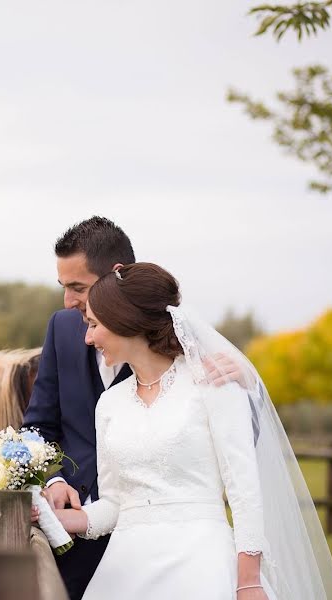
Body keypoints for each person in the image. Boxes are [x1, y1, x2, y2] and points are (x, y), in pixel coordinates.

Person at [40, 263, 332, 599]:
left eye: (94, 325)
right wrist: (64, 519)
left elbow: (244, 493)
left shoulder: (213, 384)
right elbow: (115, 502)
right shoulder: (109, 404)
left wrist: (248, 581)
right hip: (125, 574)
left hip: (203, 567)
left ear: (125, 321)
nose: (88, 337)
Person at [22, 217, 245, 599]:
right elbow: (38, 426)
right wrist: (55, 482)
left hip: (185, 550)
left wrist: (247, 384)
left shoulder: (186, 349)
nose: (68, 301)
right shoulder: (61, 329)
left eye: (78, 287)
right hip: (78, 536)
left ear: (115, 276)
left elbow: (242, 448)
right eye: (63, 287)